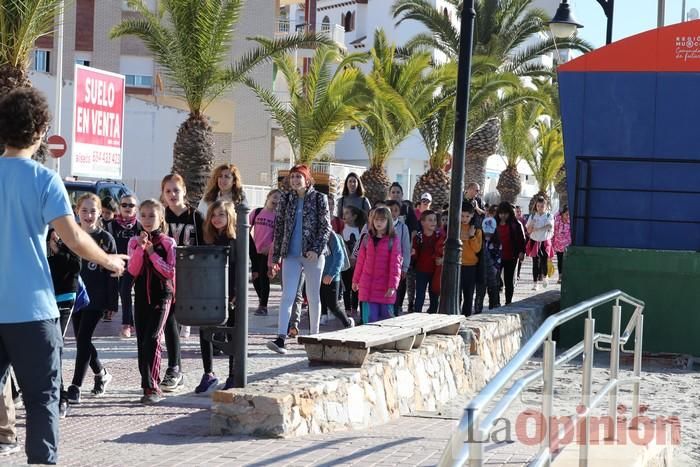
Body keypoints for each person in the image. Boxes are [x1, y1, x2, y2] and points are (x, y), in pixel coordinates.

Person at [0, 87, 127, 464]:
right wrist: (109, 261)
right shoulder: (45, 179)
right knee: (42, 402)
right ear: (39, 132)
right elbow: (73, 238)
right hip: (33, 311)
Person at [267, 165, 331, 354]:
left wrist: (316, 249)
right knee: (287, 295)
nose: (295, 180)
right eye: (292, 177)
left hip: (312, 256)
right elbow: (279, 228)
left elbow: (326, 227)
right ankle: (281, 338)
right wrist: (276, 256)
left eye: (299, 177)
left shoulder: (320, 199)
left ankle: (314, 336)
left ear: (307, 179)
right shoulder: (286, 199)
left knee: (312, 296)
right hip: (291, 255)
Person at [66, 194, 117, 405]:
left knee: (84, 338)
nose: (88, 215)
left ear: (100, 213)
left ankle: (75, 386)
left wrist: (112, 303)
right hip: (75, 297)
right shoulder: (70, 234)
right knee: (81, 340)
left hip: (96, 298)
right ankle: (102, 373)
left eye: (93, 211)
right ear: (77, 211)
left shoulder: (106, 239)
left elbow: (112, 273)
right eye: (84, 210)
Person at [127, 199, 177, 404]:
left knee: (153, 339)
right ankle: (146, 384)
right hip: (140, 297)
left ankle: (153, 387)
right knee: (141, 342)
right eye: (143, 215)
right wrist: (140, 249)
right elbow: (133, 270)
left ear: (161, 218)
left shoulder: (167, 243)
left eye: (152, 215)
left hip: (162, 296)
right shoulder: (133, 242)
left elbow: (169, 271)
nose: (147, 220)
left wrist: (152, 253)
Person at [162, 173, 203, 389]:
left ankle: (176, 368)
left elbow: (205, 247)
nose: (172, 195)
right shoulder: (161, 216)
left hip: (188, 276)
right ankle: (174, 368)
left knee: (177, 320)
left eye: (176, 190)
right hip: (166, 277)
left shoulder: (195, 217)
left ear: (184, 191)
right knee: (169, 321)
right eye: (168, 191)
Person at [195, 201, 238, 393]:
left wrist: (236, 293)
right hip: (209, 292)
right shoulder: (207, 239)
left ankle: (233, 374)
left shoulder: (238, 239)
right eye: (213, 215)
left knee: (232, 334)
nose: (216, 219)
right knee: (205, 332)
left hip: (230, 294)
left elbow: (242, 267)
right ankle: (208, 373)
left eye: (221, 214)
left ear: (229, 216)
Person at [47, 229, 82, 419]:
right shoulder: (39, 239)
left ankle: (61, 397)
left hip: (65, 298)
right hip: (42, 299)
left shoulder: (69, 240)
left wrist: (59, 249)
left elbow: (76, 266)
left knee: (55, 346)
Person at [352, 207, 402, 323]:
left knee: (387, 322)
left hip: (385, 289)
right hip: (367, 288)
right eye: (376, 220)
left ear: (388, 221)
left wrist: (393, 286)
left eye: (382, 220)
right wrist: (355, 280)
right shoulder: (366, 239)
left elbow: (396, 265)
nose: (379, 223)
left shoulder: (393, 240)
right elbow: (360, 262)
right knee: (369, 321)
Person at [106, 193, 142, 337]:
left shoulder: (140, 226)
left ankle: (128, 324)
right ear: (119, 207)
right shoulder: (110, 225)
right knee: (122, 292)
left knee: (128, 292)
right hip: (117, 265)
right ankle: (129, 323)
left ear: (136, 208)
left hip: (136, 266)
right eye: (124, 205)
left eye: (131, 205)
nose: (127, 208)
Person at [250, 189, 281, 316]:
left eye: (279, 199)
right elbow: (246, 227)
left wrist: (270, 248)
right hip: (255, 251)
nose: (276, 200)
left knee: (264, 278)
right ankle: (261, 300)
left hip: (267, 252)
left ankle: (263, 306)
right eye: (274, 197)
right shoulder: (257, 212)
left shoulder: (278, 218)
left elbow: (278, 236)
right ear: (268, 197)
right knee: (255, 278)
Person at [411, 210, 445, 313]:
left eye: (434, 220)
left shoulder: (439, 236)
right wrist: (412, 252)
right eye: (430, 220)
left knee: (434, 295)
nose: (433, 222)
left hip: (435, 271)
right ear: (422, 222)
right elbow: (414, 253)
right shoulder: (418, 237)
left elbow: (444, 251)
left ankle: (433, 315)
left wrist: (442, 260)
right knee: (420, 295)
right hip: (421, 270)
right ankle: (416, 315)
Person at [320, 231, 355, 328]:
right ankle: (321, 320)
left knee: (333, 305)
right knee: (317, 300)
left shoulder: (331, 236)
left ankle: (347, 323)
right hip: (317, 275)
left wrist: (331, 274)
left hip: (331, 277)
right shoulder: (311, 233)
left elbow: (339, 257)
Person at [496, 202, 526, 305]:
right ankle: (495, 302)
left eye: (505, 213)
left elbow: (522, 239)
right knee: (495, 280)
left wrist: (522, 252)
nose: (503, 216)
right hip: (497, 257)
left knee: (509, 281)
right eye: (501, 213)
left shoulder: (516, 224)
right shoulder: (494, 223)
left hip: (511, 256)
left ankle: (508, 302)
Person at [385, 200, 411, 314]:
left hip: (396, 265)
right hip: (383, 263)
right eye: (390, 210)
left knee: (395, 289)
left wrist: (405, 267)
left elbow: (406, 248)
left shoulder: (403, 227)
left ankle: (395, 312)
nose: (393, 213)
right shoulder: (382, 226)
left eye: (395, 210)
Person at [341, 205, 366, 318]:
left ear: (354, 216)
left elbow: (361, 244)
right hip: (345, 262)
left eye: (347, 213)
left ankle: (355, 308)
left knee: (356, 286)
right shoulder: (342, 229)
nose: (344, 216)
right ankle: (347, 309)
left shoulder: (361, 229)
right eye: (344, 213)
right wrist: (348, 258)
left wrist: (355, 258)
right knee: (346, 287)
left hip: (357, 263)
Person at [526, 196, 555, 290]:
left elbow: (549, 226)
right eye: (538, 206)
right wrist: (532, 223)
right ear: (536, 206)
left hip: (545, 241)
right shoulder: (533, 216)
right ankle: (535, 283)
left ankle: (545, 276)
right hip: (534, 241)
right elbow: (529, 230)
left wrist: (538, 229)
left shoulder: (548, 216)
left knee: (544, 261)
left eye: (542, 206)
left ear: (546, 207)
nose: (540, 208)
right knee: (535, 262)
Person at [459, 203, 482, 316]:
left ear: (472, 215)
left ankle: (466, 317)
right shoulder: (455, 227)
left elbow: (477, 249)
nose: (464, 219)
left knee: (468, 295)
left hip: (471, 266)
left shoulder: (477, 230)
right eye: (462, 216)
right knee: (456, 295)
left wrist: (472, 236)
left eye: (467, 216)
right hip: (457, 265)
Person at [553, 206, 571, 284]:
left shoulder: (570, 222)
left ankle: (566, 276)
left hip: (567, 246)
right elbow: (555, 216)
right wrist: (559, 211)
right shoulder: (558, 221)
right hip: (558, 245)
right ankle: (560, 276)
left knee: (567, 262)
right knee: (560, 261)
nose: (568, 216)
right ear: (562, 214)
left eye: (569, 214)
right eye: (566, 214)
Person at [514, 205, 528, 282]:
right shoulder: (512, 220)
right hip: (514, 242)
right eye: (517, 211)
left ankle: (518, 274)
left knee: (520, 260)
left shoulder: (523, 220)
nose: (519, 213)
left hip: (522, 242)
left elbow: (527, 230)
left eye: (520, 211)